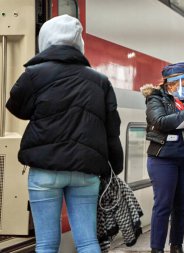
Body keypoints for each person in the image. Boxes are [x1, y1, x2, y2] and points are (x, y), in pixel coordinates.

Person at [5, 15, 123, 253]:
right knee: (88, 240)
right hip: (86, 172)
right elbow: (112, 128)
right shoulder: (100, 81)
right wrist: (115, 166)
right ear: (79, 43)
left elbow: (17, 108)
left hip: (45, 171)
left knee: (47, 243)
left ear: (45, 39)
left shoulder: (34, 74)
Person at [140, 62, 184, 253]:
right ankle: (157, 248)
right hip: (163, 158)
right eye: (183, 83)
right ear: (172, 83)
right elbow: (160, 122)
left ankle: (176, 246)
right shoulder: (155, 98)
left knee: (182, 206)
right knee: (163, 204)